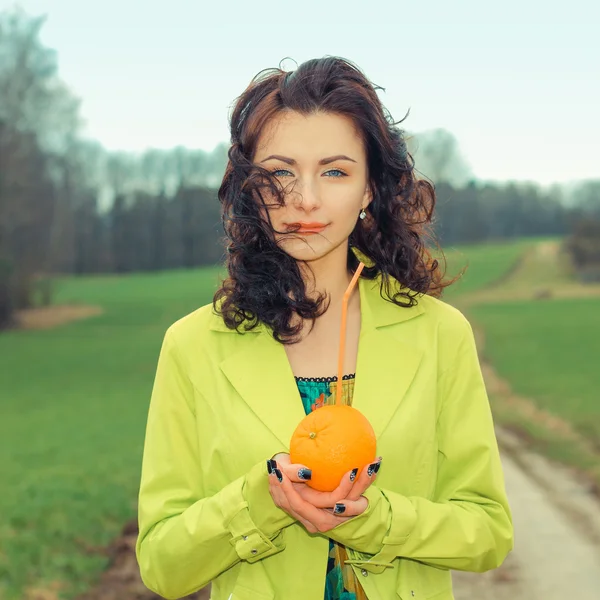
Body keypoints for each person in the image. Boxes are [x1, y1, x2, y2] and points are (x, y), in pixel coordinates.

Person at [135, 56, 513, 600]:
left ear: (369, 191)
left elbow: (489, 533)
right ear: (249, 189)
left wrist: (373, 520)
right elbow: (162, 566)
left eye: (334, 171)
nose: (305, 199)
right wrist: (260, 502)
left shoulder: (439, 334)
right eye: (280, 173)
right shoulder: (192, 346)